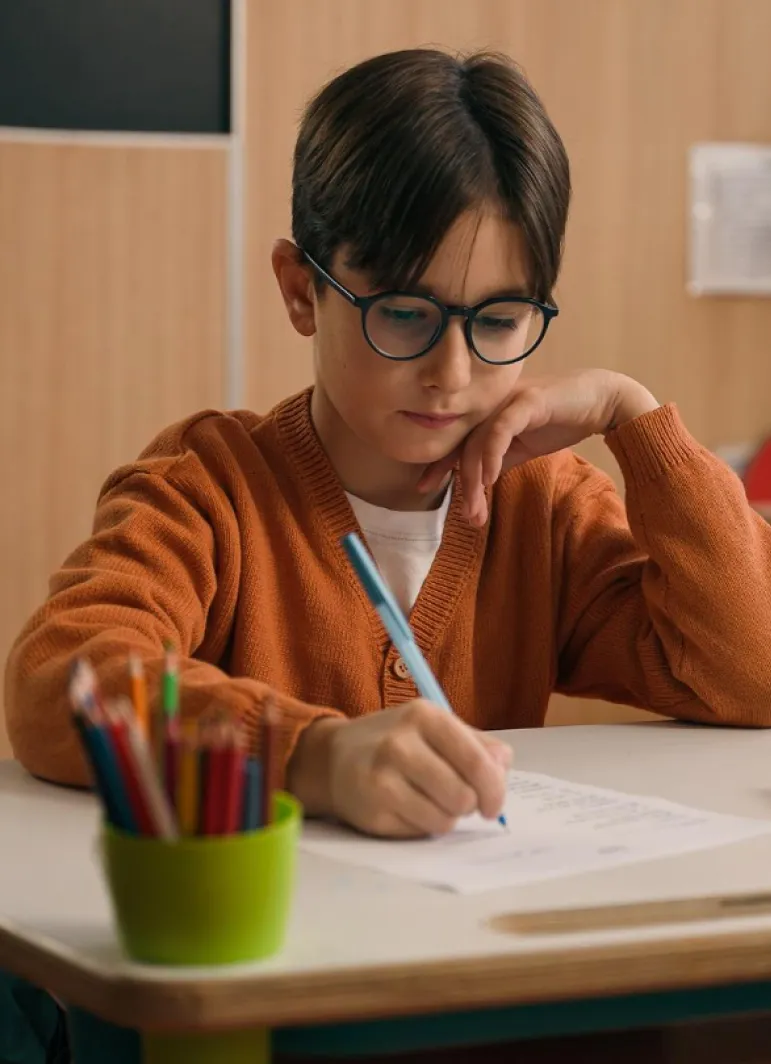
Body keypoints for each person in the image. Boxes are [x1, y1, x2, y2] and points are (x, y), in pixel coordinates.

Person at [6, 48, 771, 842]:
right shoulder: (210, 489)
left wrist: (633, 417)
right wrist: (311, 757)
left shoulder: (545, 504)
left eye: (500, 319)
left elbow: (754, 676)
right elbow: (64, 681)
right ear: (303, 290)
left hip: (465, 939)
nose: (451, 372)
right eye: (405, 314)